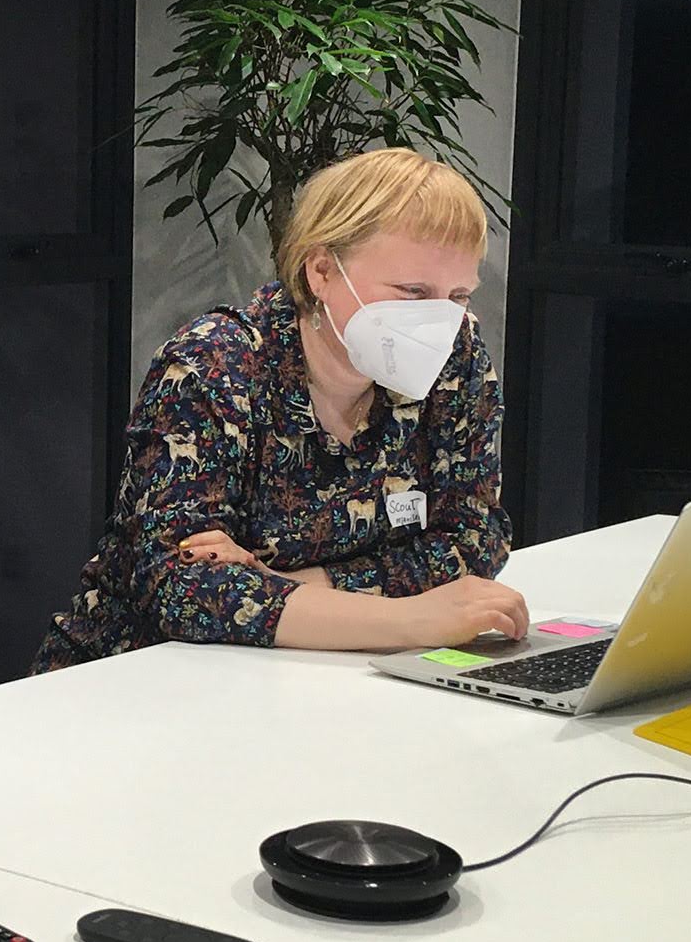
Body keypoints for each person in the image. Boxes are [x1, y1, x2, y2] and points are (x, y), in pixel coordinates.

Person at [31, 147, 527, 672]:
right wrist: (414, 619)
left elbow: (477, 538)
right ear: (321, 272)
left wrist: (287, 586)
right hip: (136, 680)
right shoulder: (215, 364)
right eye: (412, 292)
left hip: (317, 684)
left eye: (458, 296)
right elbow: (180, 586)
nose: (438, 320)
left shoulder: (455, 354)